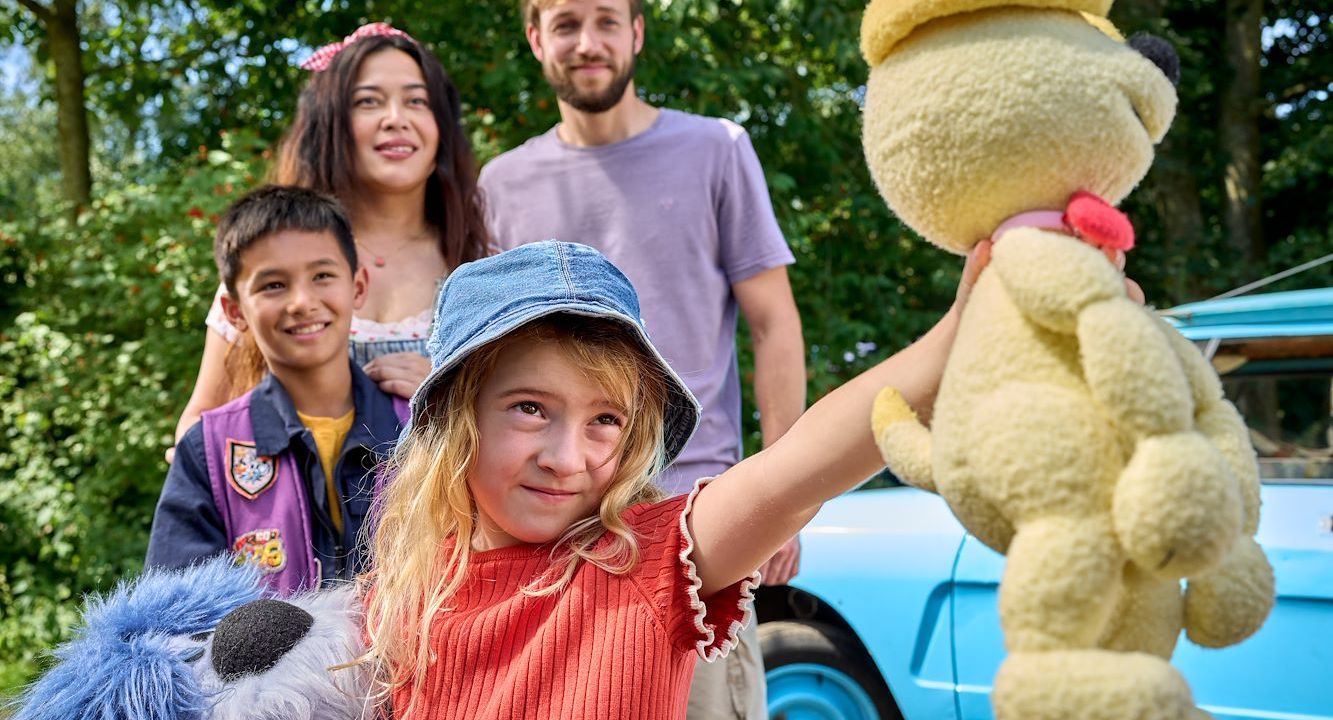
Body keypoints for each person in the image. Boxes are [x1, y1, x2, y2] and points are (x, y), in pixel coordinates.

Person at [363, 240, 978, 719]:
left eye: (605, 420)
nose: (566, 458)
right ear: (457, 417)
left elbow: (797, 472)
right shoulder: (399, 594)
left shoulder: (645, 561)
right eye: (530, 408)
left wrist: (963, 329)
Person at [478, 2, 805, 713]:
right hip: (551, 523)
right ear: (536, 39)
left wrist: (779, 492)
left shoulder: (716, 148)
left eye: (606, 20)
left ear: (637, 32)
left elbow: (774, 322)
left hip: (692, 519)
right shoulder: (502, 182)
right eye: (566, 24)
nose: (587, 42)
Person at [171, 22, 489, 459]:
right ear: (331, 124)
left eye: (416, 100)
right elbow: (198, 425)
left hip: (443, 502)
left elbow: (520, 424)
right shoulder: (267, 263)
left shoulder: (480, 268)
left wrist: (452, 397)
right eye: (368, 101)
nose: (396, 118)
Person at [147, 185, 409, 594]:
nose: (302, 302)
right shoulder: (208, 453)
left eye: (322, 276)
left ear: (358, 286)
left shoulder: (419, 429)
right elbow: (174, 613)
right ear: (234, 311)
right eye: (273, 285)